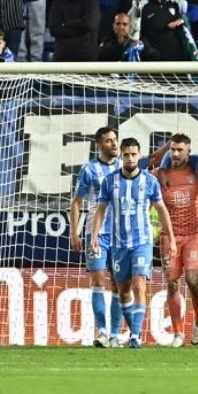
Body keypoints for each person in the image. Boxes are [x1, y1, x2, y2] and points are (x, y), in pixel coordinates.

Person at [88, 136, 172, 350]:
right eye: (126, 154)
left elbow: (161, 209)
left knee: (139, 284)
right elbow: (100, 211)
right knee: (123, 290)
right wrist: (94, 235)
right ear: (122, 156)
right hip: (118, 244)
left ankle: (136, 335)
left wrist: (170, 237)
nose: (130, 158)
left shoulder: (150, 181)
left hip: (141, 242)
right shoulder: (110, 182)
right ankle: (121, 332)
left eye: (134, 154)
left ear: (139, 155)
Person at [151, 133, 198, 347]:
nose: (175, 154)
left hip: (194, 235)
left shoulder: (197, 172)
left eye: (180, 150)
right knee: (172, 284)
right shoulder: (158, 175)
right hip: (169, 237)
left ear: (188, 152)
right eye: (172, 150)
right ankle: (177, 334)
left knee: (193, 281)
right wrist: (152, 231)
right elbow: (148, 205)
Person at [71, 127, 124, 347]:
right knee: (98, 281)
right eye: (108, 141)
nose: (113, 144)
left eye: (115, 140)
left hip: (122, 235)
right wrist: (74, 232)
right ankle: (102, 331)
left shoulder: (125, 165)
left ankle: (114, 333)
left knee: (119, 284)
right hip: (97, 233)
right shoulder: (89, 169)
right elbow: (77, 201)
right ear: (99, 145)